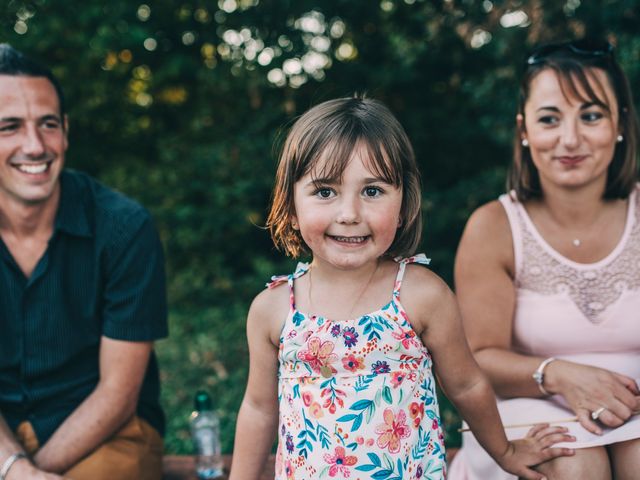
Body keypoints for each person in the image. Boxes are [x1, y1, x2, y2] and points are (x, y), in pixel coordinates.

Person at [228, 96, 574, 480]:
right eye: (325, 191)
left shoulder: (420, 295)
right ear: (291, 206)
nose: (349, 214)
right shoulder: (274, 308)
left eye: (372, 191)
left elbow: (467, 384)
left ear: (405, 204)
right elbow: (258, 409)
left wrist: (506, 452)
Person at [449, 39, 640, 480]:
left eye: (590, 116)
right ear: (524, 130)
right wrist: (558, 374)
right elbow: (476, 358)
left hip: (633, 414)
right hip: (523, 412)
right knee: (577, 463)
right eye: (549, 119)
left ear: (620, 124)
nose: (569, 139)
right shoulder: (493, 226)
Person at [0, 44, 168, 480]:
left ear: (66, 131)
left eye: (48, 124)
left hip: (107, 432)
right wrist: (13, 467)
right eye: (9, 127)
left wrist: (33, 474)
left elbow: (118, 394)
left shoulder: (123, 227)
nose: (34, 146)